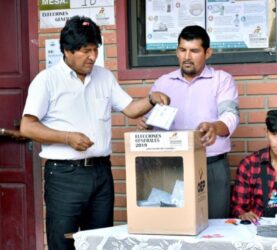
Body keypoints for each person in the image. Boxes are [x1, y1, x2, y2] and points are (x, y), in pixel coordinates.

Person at [20, 16, 169, 250]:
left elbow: (130, 108)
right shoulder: (46, 80)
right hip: (64, 176)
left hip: (101, 173)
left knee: (100, 241)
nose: (92, 57)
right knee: (63, 242)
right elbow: (27, 126)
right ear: (67, 51)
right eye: (85, 51)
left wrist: (151, 99)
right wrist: (67, 137)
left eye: (95, 50)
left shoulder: (104, 77)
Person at [137, 25, 240, 219]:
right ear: (177, 51)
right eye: (182, 50)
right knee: (173, 223)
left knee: (215, 226)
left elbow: (231, 116)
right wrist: (146, 124)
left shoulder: (221, 80)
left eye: (194, 51)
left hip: (210, 166)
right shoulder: (163, 82)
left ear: (207, 53)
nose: (187, 57)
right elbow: (154, 120)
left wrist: (214, 127)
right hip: (170, 166)